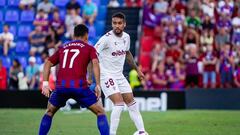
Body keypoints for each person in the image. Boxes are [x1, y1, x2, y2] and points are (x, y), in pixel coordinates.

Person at [39, 24, 109, 135]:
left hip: (61, 87)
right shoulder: (89, 48)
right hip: (79, 86)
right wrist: (98, 84)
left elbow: (47, 63)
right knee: (100, 112)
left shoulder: (63, 48)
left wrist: (45, 84)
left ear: (73, 35)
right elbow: (95, 63)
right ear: (86, 35)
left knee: (49, 112)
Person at [94, 12, 147, 135]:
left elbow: (127, 54)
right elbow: (93, 55)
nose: (116, 26)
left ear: (124, 24)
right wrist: (91, 76)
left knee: (132, 103)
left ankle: (142, 131)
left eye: (119, 23)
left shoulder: (126, 37)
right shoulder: (106, 39)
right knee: (119, 104)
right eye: (114, 23)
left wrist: (137, 70)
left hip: (119, 75)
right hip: (106, 75)